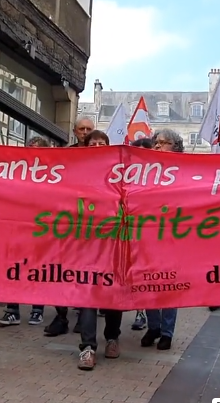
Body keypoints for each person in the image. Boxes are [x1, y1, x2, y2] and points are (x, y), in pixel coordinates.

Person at [76, 130, 124, 370]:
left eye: (101, 143)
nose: (96, 146)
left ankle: (113, 338)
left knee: (113, 294)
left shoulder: (120, 174)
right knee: (88, 294)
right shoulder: (76, 173)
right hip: (85, 245)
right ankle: (87, 347)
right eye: (92, 143)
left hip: (113, 244)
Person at [45, 117, 96, 337]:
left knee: (87, 271)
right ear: (75, 132)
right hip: (68, 221)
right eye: (81, 129)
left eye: (89, 129)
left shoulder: (105, 155)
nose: (85, 132)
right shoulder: (66, 156)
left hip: (93, 224)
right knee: (61, 269)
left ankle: (84, 315)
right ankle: (61, 315)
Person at [0, 136, 52, 327]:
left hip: (40, 230)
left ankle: (37, 310)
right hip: (17, 228)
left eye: (37, 148)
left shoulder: (51, 175)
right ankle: (12, 311)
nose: (32, 152)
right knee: (13, 268)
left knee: (39, 270)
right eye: (30, 148)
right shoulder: (16, 171)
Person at [140, 129, 183, 350]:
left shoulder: (183, 172)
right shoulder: (145, 171)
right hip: (147, 236)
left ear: (175, 147)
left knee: (168, 285)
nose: (157, 146)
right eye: (156, 142)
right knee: (148, 283)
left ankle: (167, 331)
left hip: (172, 237)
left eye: (163, 143)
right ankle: (153, 326)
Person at [128, 137, 153, 331]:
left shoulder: (163, 175)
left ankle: (145, 314)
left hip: (154, 236)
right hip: (130, 235)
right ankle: (139, 311)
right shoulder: (127, 176)